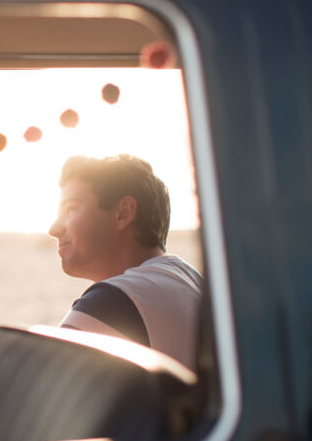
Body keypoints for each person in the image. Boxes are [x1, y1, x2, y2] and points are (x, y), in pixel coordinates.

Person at [48, 154, 203, 370]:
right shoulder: (191, 280)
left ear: (123, 213)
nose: (54, 229)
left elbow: (47, 395)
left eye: (71, 209)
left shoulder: (112, 302)